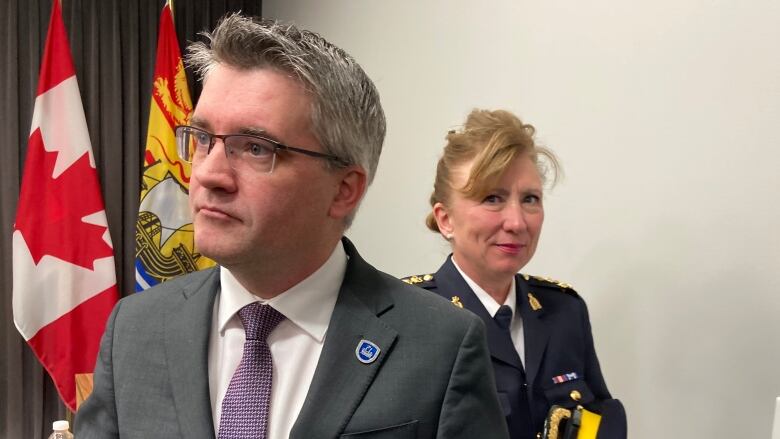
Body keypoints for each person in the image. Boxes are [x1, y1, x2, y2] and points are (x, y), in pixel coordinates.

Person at [75, 15, 508, 439]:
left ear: (343, 189)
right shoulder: (135, 329)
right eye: (203, 138)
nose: (208, 174)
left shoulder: (441, 347)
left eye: (256, 148)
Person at [403, 109, 626, 439]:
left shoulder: (565, 311)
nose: (517, 222)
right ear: (445, 219)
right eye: (492, 198)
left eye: (530, 199)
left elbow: (598, 423)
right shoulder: (409, 318)